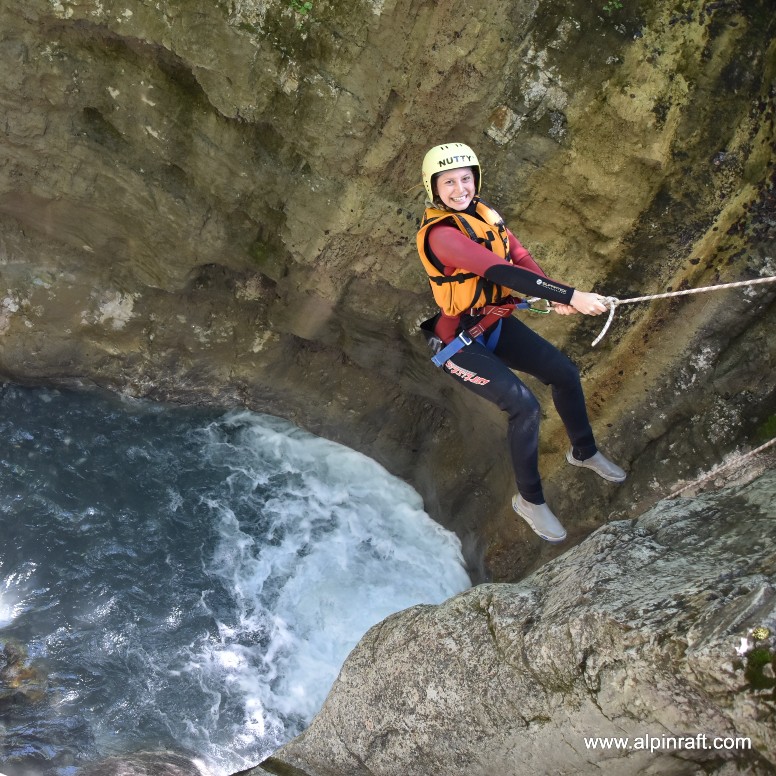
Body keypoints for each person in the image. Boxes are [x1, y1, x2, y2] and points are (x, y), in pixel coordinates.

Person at [415, 142, 626, 543]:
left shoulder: (483, 214)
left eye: (465, 178)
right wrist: (569, 295)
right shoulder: (441, 236)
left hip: (492, 322)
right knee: (524, 406)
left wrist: (556, 293)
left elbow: (518, 254)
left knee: (564, 372)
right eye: (448, 182)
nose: (459, 188)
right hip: (457, 341)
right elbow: (497, 270)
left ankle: (583, 451)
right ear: (434, 189)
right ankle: (530, 501)